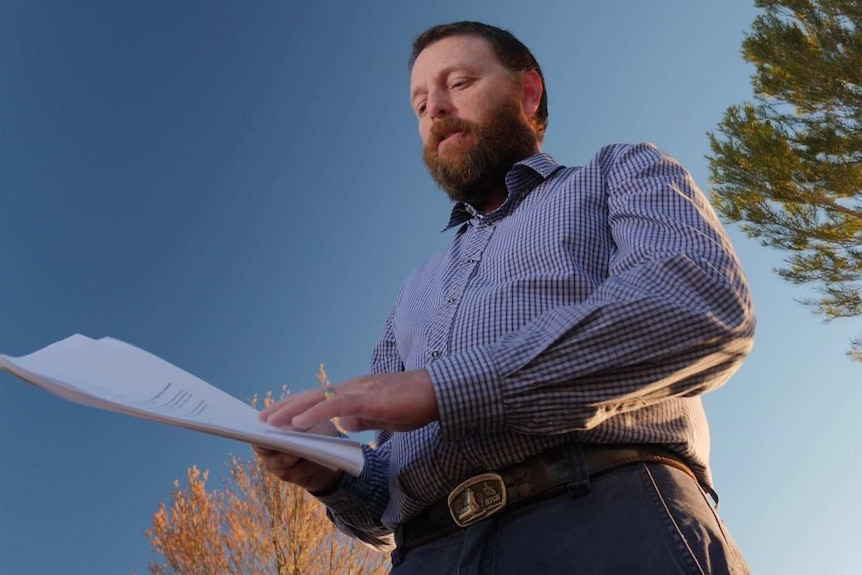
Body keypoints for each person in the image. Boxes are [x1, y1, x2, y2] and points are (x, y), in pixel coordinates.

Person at [254, 21, 754, 574]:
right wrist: (330, 470)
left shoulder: (619, 171)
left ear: (528, 92)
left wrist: (443, 387)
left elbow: (698, 306)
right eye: (420, 106)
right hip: (423, 555)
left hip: (609, 520)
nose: (435, 109)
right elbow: (384, 502)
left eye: (459, 83)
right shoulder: (411, 293)